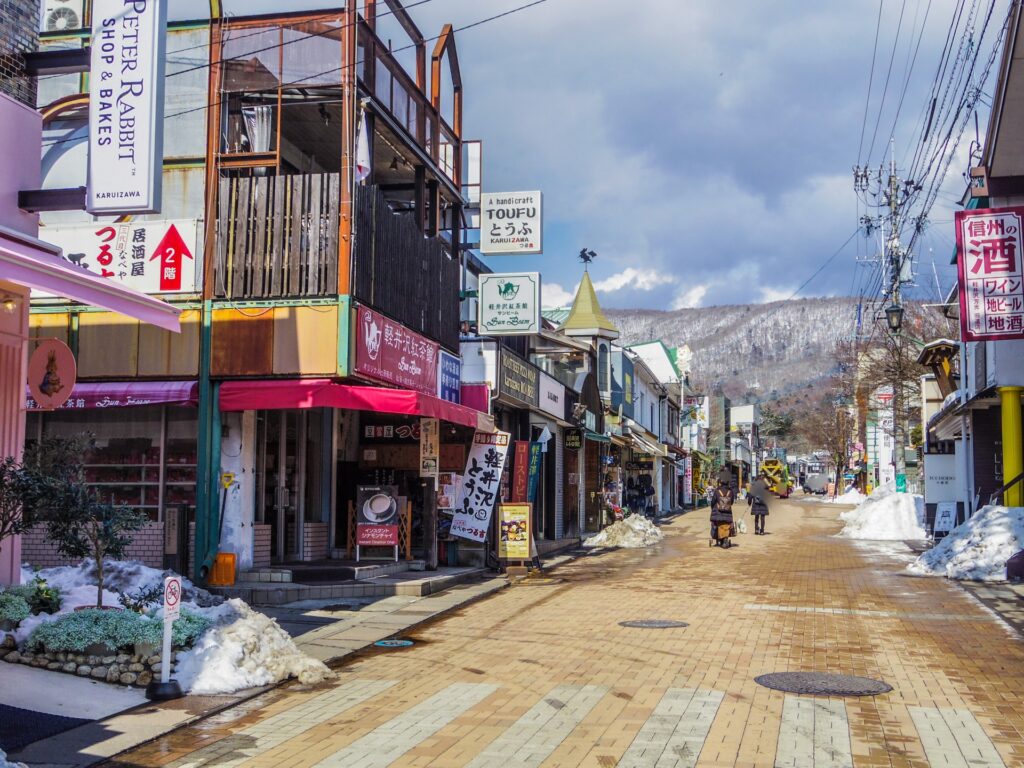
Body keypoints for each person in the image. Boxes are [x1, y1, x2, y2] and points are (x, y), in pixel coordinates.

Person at [709, 474, 735, 547]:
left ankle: (721, 539)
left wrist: (712, 508)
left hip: (718, 512)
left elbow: (713, 501)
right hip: (728, 512)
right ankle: (725, 539)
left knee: (718, 524)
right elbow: (732, 502)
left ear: (720, 482)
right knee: (726, 525)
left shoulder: (717, 491)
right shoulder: (731, 491)